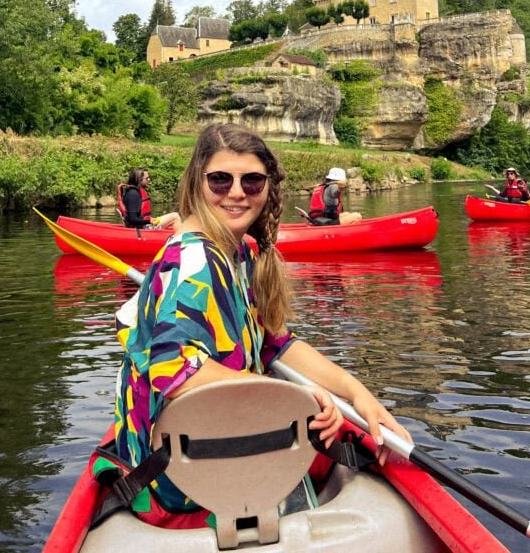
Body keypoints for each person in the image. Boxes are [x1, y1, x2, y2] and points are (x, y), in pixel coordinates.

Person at [113, 124, 410, 517]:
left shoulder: (239, 253)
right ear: (197, 183)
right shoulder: (193, 261)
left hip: (211, 438)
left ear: (267, 187)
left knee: (333, 435)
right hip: (176, 473)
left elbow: (277, 344)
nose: (236, 192)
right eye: (220, 180)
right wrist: (292, 396)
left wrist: (358, 394)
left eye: (252, 181)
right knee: (331, 441)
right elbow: (175, 370)